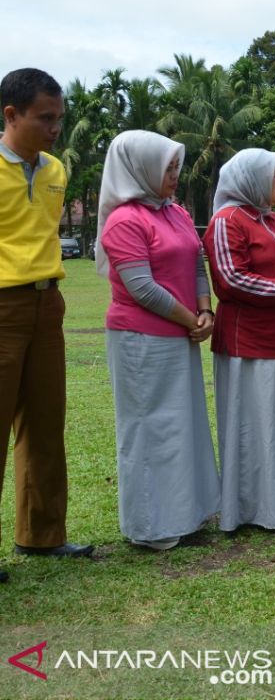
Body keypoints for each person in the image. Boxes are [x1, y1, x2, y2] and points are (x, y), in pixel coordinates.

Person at [98, 130, 219, 550]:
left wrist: (205, 311)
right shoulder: (124, 220)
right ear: (140, 169)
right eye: (166, 168)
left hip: (181, 334)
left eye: (175, 167)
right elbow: (142, 288)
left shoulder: (176, 212)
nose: (174, 175)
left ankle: (185, 515)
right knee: (149, 430)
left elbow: (197, 264)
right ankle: (151, 526)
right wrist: (193, 320)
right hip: (141, 342)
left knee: (182, 427)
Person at [0, 68, 92, 579]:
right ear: (11, 115)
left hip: (48, 305)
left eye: (59, 118)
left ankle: (41, 536)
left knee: (44, 422)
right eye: (45, 118)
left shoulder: (56, 169)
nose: (55, 128)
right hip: (2, 304)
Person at [204, 149, 275, 532]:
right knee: (252, 423)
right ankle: (252, 508)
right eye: (274, 176)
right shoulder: (227, 221)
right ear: (251, 179)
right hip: (247, 343)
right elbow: (231, 279)